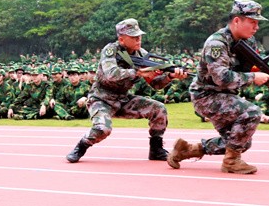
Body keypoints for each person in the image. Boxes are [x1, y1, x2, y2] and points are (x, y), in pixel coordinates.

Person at [168, 0, 269, 174]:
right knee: (252, 112)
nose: (256, 27)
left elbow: (258, 68)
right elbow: (222, 78)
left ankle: (187, 150)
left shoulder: (249, 42)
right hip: (206, 96)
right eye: (252, 22)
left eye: (257, 23)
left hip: (226, 96)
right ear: (236, 20)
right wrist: (253, 77)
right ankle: (231, 162)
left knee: (242, 140)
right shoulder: (217, 43)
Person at [66, 18, 187, 163]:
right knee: (103, 129)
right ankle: (81, 146)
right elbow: (111, 74)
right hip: (101, 99)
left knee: (159, 109)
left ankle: (156, 149)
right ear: (122, 39)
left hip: (123, 99)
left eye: (139, 36)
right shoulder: (111, 50)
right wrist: (137, 73)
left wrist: (170, 76)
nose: (138, 39)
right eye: (134, 37)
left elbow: (156, 84)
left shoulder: (142, 54)